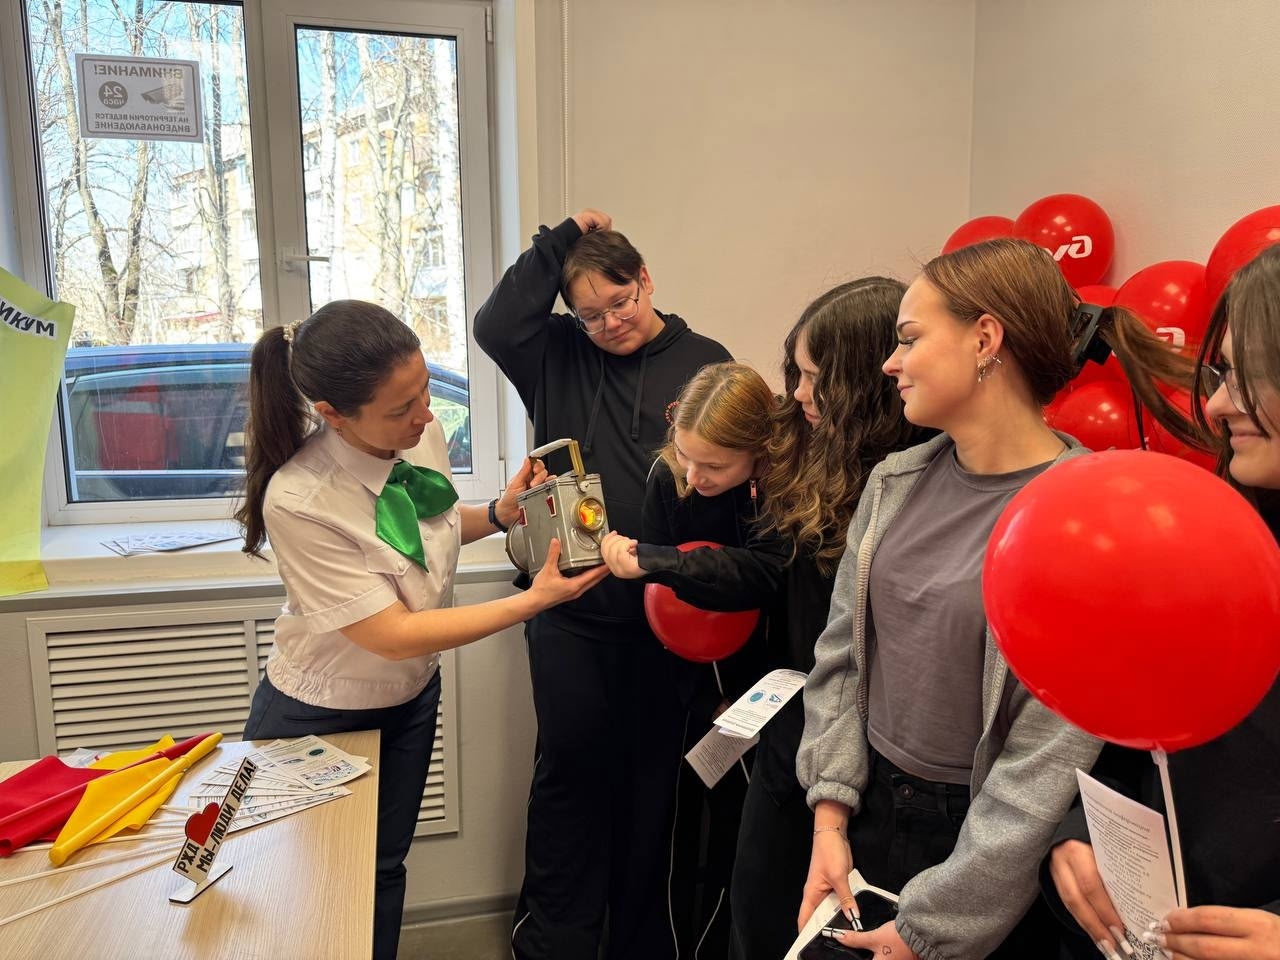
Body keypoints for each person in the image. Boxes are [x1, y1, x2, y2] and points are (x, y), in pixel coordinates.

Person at [796, 238, 1196, 960]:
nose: (890, 363)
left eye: (909, 339)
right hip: (866, 811)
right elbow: (842, 658)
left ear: (984, 339)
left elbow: (1045, 760)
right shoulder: (893, 484)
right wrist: (830, 816)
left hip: (982, 846)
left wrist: (934, 928)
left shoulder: (1084, 519)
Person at [234, 300, 608, 960]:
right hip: (321, 713)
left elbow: (427, 528)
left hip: (408, 698)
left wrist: (501, 512)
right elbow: (393, 633)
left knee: (382, 868)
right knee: (308, 886)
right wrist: (534, 601)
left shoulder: (414, 436)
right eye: (402, 407)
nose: (427, 416)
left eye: (426, 391)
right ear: (332, 414)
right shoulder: (300, 499)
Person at [474, 209, 731, 960]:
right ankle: (556, 943)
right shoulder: (555, 351)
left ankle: (642, 944)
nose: (610, 323)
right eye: (590, 314)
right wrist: (561, 238)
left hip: (665, 618)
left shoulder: (706, 363)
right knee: (570, 775)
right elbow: (495, 323)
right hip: (567, 610)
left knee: (653, 785)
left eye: (621, 302)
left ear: (645, 279)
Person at [1044, 244, 1280, 960]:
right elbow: (1131, 730)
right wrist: (1076, 831)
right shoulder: (1215, 542)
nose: (1216, 405)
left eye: (1249, 376)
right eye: (1221, 374)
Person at [727, 277, 932, 960]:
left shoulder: (908, 482)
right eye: (797, 372)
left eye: (816, 378)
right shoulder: (804, 445)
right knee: (758, 909)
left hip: (867, 755)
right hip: (796, 721)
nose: (799, 393)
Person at [599, 360, 790, 957]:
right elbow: (666, 610)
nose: (694, 475)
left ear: (759, 451)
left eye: (714, 466)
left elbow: (767, 575)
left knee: (754, 840)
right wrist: (704, 697)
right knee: (685, 831)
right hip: (692, 683)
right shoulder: (669, 478)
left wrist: (660, 560)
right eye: (685, 455)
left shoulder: (786, 480)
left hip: (777, 681)